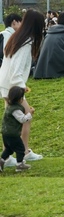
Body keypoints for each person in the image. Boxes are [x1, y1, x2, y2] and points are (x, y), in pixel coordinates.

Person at [0, 10, 46, 166]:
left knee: (10, 121)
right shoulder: (26, 42)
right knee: (26, 116)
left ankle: (7, 157)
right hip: (12, 86)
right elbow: (17, 70)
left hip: (6, 84)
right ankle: (24, 152)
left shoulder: (16, 37)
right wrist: (22, 87)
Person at [1, 86, 34, 172]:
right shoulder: (16, 109)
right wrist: (30, 113)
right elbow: (23, 119)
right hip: (12, 134)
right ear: (20, 99)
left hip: (6, 133)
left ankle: (1, 161)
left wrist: (23, 90)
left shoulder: (9, 106)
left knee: (9, 149)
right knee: (20, 149)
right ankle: (20, 164)